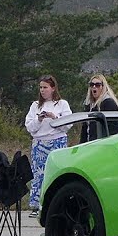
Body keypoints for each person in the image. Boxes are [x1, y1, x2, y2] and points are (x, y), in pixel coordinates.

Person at [24, 74, 72, 218]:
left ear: (53, 88)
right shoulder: (35, 105)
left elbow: (68, 125)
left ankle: (58, 203)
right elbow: (30, 127)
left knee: (57, 173)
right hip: (40, 142)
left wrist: (54, 117)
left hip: (57, 141)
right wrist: (39, 119)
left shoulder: (62, 104)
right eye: (40, 87)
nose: (42, 90)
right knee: (39, 174)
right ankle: (36, 204)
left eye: (45, 87)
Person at [80, 73, 118, 142]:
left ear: (103, 86)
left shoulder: (108, 103)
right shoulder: (89, 105)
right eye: (92, 85)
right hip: (90, 144)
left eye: (97, 85)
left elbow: (113, 129)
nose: (94, 87)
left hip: (103, 144)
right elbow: (85, 130)